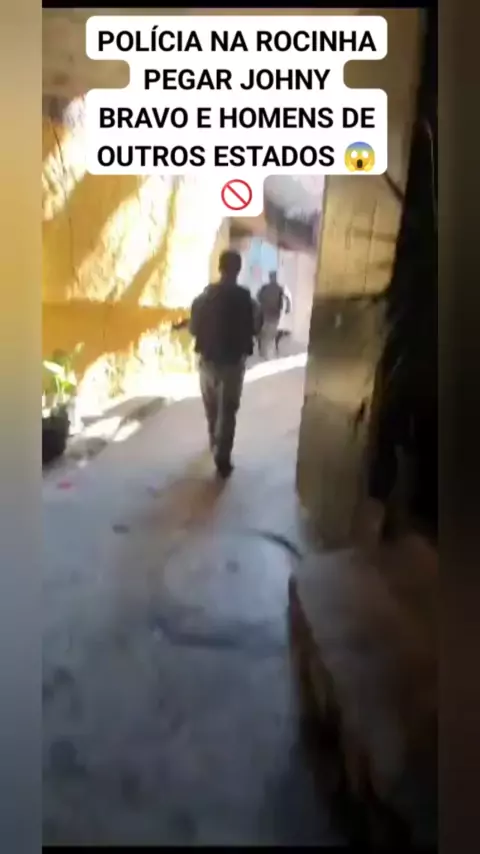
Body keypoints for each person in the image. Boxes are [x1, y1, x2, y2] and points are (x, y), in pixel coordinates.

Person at [189, 250, 256, 478]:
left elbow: (193, 329)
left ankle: (213, 441)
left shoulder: (203, 298)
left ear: (220, 268)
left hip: (207, 361)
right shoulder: (247, 299)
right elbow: (255, 327)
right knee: (228, 410)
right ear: (238, 270)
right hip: (233, 364)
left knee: (211, 407)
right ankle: (223, 457)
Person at [256, 271, 291, 359]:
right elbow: (286, 299)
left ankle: (264, 352)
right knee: (270, 332)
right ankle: (267, 352)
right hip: (274, 313)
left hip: (267, 312)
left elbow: (258, 296)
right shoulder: (279, 288)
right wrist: (287, 308)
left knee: (266, 332)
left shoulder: (265, 287)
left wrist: (262, 304)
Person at [274, 284, 293, 355]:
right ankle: (276, 343)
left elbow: (287, 305)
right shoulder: (282, 297)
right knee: (279, 329)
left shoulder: (285, 297)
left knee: (280, 330)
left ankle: (276, 343)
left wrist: (288, 309)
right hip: (279, 315)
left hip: (281, 315)